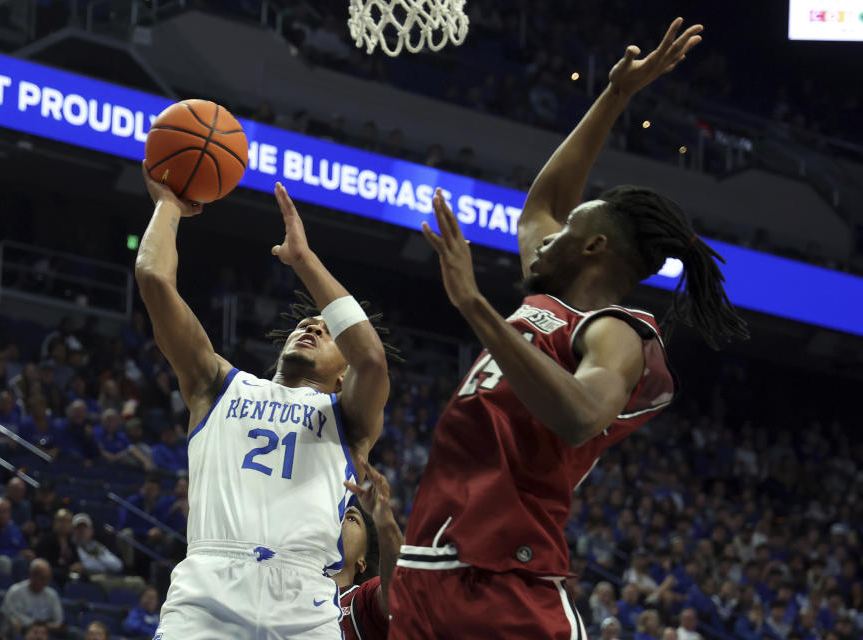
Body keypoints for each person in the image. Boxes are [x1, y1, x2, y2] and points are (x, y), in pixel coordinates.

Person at [389, 18, 748, 639]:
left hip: (508, 579)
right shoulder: (547, 295)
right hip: (428, 564)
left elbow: (582, 413)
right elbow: (540, 206)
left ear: (595, 249)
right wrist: (615, 96)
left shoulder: (619, 331)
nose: (545, 233)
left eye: (567, 231)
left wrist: (475, 306)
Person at [136, 169, 391, 639]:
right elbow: (153, 279)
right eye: (307, 323)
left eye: (329, 329)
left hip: (304, 604)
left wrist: (305, 260)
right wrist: (168, 205)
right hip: (208, 592)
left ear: (343, 374)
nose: (313, 327)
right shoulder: (216, 384)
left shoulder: (348, 418)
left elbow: (373, 358)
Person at [334, 456, 403, 640]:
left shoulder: (361, 601)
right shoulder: (284, 586)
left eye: (351, 518)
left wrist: (385, 522)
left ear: (362, 562)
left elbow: (400, 591)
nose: (340, 519)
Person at [2, 558, 65, 637]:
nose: (45, 582)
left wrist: (48, 626)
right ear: (32, 575)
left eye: (48, 578)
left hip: (46, 631)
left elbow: (59, 619)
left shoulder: (52, 594)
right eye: (42, 578)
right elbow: (9, 615)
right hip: (23, 629)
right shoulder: (15, 591)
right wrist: (34, 624)